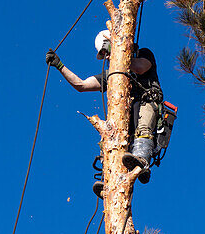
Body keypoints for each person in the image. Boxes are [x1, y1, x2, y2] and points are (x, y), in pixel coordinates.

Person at [46, 30, 163, 188]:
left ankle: (141, 161)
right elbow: (81, 85)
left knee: (143, 122)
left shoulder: (144, 54)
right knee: (111, 136)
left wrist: (118, 52)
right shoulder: (113, 75)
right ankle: (109, 179)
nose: (106, 56)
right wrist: (60, 66)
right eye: (103, 53)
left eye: (106, 51)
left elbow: (140, 68)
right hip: (128, 115)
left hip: (147, 104)